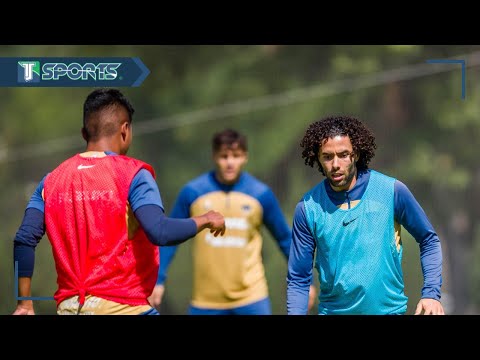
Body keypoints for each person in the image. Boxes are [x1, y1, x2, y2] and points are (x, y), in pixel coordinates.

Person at [12, 88, 225, 315]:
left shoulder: (51, 181)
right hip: (123, 307)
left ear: (84, 133)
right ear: (125, 130)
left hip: (69, 308)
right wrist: (205, 219)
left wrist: (24, 303)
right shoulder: (132, 174)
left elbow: (24, 240)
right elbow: (160, 231)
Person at [287, 115, 445, 315]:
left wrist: (431, 293)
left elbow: (428, 239)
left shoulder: (392, 191)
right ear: (317, 158)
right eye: (327, 156)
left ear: (357, 154)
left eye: (343, 154)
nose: (335, 164)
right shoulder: (308, 208)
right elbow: (299, 278)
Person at [149, 128, 315, 315]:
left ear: (245, 157)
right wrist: (158, 280)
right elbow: (169, 239)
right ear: (214, 156)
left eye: (236, 156)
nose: (230, 162)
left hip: (252, 299)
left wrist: (306, 283)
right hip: (205, 302)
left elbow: (286, 240)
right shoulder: (193, 192)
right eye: (224, 156)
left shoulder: (260, 194)